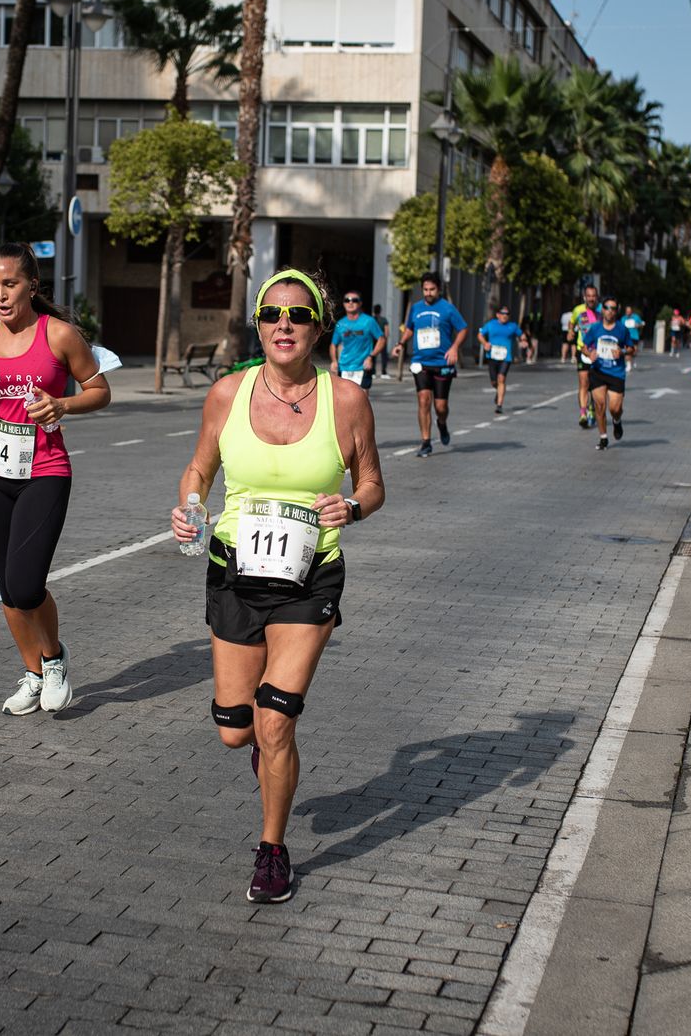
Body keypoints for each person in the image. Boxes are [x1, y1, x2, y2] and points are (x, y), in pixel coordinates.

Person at [170, 266, 384, 905]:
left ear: (319, 327)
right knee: (236, 730)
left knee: (275, 722)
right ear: (258, 325)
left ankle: (271, 850)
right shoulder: (227, 394)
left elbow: (372, 481)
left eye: (296, 315)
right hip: (234, 569)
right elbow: (199, 468)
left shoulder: (345, 399)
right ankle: (270, 762)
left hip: (310, 574)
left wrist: (355, 506)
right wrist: (188, 505)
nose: (283, 325)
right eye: (271, 315)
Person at [0, 243, 112, 716]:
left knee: (26, 582)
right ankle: (33, 675)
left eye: (9, 284)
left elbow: (100, 391)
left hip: (44, 472)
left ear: (32, 285)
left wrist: (63, 404)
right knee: (7, 588)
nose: (0, 294)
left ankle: (54, 659)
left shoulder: (60, 336)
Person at [392, 272, 468, 457]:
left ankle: (441, 423)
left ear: (439, 289)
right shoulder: (416, 308)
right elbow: (410, 328)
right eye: (425, 289)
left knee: (440, 407)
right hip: (421, 362)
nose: (428, 292)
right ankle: (425, 442)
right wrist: (401, 344)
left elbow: (463, 329)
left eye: (432, 289)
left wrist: (454, 348)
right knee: (424, 401)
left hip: (443, 362)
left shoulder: (448, 308)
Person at [582, 301, 635, 450]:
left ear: (616, 311)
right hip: (598, 371)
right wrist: (589, 353)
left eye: (613, 308)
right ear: (602, 310)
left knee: (614, 408)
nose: (609, 311)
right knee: (599, 405)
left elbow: (632, 348)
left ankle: (617, 420)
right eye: (606, 307)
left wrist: (623, 352)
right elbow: (584, 347)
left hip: (616, 373)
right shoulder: (595, 328)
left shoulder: (622, 329)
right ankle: (603, 437)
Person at [329, 290, 384, 390]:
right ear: (343, 303)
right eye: (347, 300)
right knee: (344, 400)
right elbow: (333, 344)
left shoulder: (368, 321)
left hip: (362, 367)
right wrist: (334, 361)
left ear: (360, 303)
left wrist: (371, 356)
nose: (350, 302)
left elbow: (381, 339)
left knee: (362, 399)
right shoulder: (340, 324)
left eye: (354, 300)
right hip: (344, 367)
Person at [478, 305, 525, 414]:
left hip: (506, 357)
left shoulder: (512, 326)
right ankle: (498, 391)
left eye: (507, 314)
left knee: (501, 379)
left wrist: (523, 341)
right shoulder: (491, 325)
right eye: (503, 313)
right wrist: (485, 343)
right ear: (498, 315)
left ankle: (499, 405)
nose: (505, 316)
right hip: (492, 356)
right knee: (494, 381)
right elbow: (480, 335)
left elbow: (521, 335)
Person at [569, 285, 602, 428]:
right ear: (584, 297)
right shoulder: (578, 310)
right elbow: (572, 322)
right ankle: (583, 414)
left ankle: (592, 408)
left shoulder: (602, 311)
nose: (591, 299)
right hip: (582, 350)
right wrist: (570, 331)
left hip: (599, 353)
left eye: (593, 296)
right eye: (588, 296)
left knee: (595, 386)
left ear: (597, 297)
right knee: (583, 383)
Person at [622, 305, 644, 372]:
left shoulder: (636, 317)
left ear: (631, 311)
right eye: (627, 311)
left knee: (634, 351)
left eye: (629, 311)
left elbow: (642, 323)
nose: (628, 312)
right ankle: (628, 365)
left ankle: (632, 360)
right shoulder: (623, 318)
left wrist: (638, 325)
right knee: (627, 351)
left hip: (634, 336)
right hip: (626, 337)